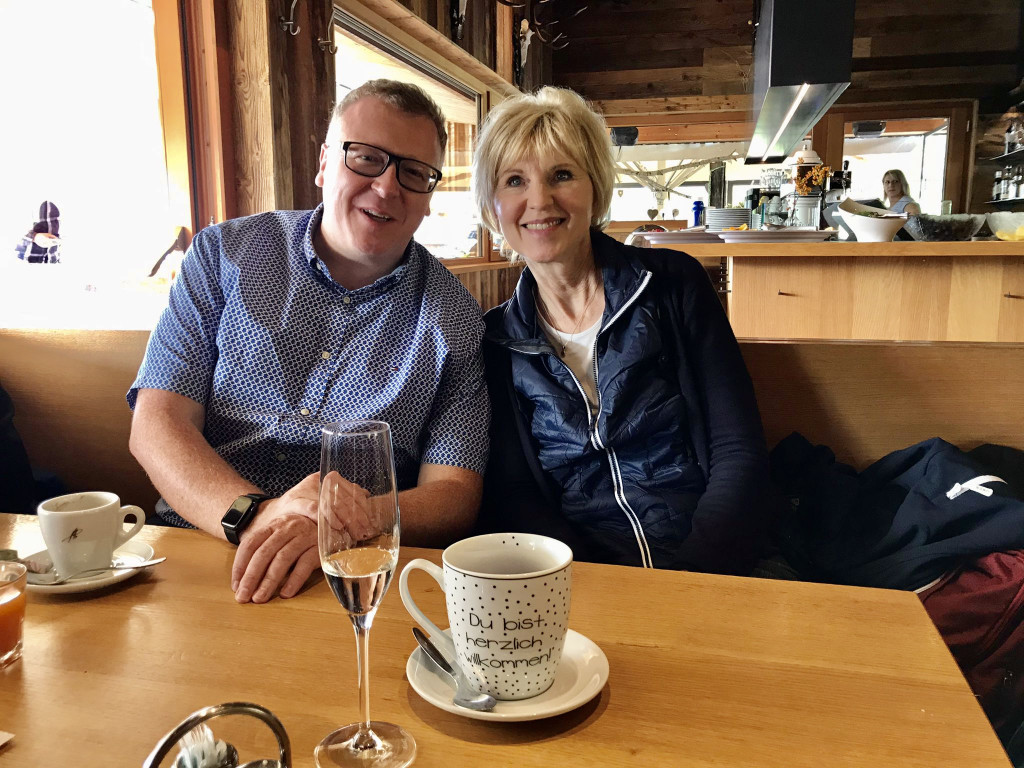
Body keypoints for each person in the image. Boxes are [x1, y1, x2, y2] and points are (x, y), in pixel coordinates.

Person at [128, 80, 489, 603]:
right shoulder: (223, 255)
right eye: (366, 158)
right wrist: (257, 515)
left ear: (429, 196)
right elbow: (157, 424)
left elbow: (455, 494)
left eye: (413, 172)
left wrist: (339, 522)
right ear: (324, 164)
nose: (387, 187)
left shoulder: (456, 319)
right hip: (200, 541)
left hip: (353, 570)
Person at [472, 87, 769, 574]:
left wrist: (694, 580)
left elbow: (738, 451)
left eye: (562, 174)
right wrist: (594, 586)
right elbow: (516, 493)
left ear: (595, 187)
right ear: (493, 206)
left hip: (712, 561)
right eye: (514, 181)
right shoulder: (495, 339)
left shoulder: (673, 285)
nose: (539, 200)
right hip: (582, 577)